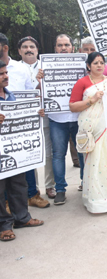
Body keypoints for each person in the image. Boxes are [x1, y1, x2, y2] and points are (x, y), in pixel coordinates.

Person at [69, 52, 107, 213]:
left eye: (101, 62)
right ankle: (96, 201)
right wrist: (91, 100)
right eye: (95, 63)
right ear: (88, 66)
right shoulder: (82, 83)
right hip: (92, 129)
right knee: (94, 164)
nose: (99, 65)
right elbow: (72, 106)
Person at [0, 60, 44, 241]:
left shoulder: (11, 97)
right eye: (1, 74)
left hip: (15, 151)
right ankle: (4, 225)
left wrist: (36, 114)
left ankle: (22, 218)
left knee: (19, 184)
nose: (6, 76)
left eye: (6, 73)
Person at [47, 34, 85, 205]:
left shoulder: (82, 66)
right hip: (57, 118)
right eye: (60, 45)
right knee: (58, 155)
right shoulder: (46, 67)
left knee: (84, 152)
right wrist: (41, 79)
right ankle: (60, 189)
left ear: (72, 47)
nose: (63, 48)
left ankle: (86, 183)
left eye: (66, 45)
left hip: (79, 116)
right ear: (55, 48)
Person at [16, 36, 55, 205]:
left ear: (37, 50)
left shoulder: (47, 65)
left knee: (48, 154)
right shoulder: (13, 69)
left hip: (45, 115)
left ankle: (49, 186)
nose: (28, 49)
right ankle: (33, 191)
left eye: (32, 46)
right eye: (25, 47)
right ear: (19, 51)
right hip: (23, 120)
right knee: (28, 155)